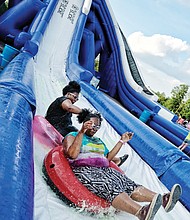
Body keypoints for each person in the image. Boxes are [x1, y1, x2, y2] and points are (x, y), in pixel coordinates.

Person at [63, 110, 182, 220]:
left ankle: (163, 199)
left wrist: (121, 141)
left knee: (127, 183)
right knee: (108, 184)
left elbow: (108, 158)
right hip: (85, 170)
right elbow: (72, 154)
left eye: (97, 126)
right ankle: (141, 212)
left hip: (103, 169)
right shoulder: (73, 135)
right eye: (91, 124)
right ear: (84, 123)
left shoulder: (98, 141)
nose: (94, 128)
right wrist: (82, 132)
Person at [45, 81, 128, 166]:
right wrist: (84, 113)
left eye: (77, 99)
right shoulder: (63, 100)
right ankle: (115, 159)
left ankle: (115, 159)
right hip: (56, 127)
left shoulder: (97, 140)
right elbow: (69, 107)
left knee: (82, 136)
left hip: (64, 127)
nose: (75, 100)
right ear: (68, 94)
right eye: (75, 97)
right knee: (78, 136)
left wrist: (121, 141)